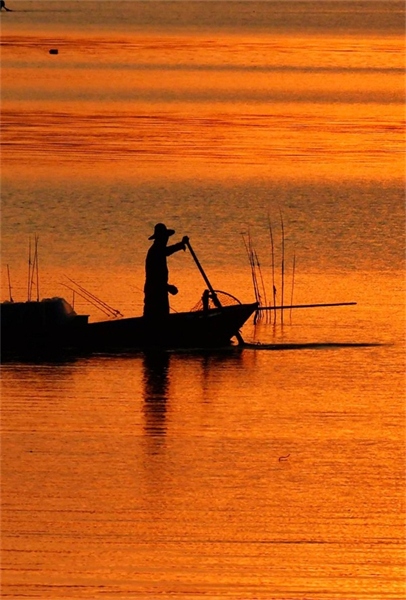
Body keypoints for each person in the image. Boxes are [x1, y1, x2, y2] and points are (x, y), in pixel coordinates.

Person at [143, 223, 188, 321]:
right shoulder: (155, 252)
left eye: (167, 237)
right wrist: (168, 287)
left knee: (159, 318)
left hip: (160, 291)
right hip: (155, 293)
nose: (166, 239)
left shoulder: (159, 250)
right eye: (165, 237)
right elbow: (154, 279)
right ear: (160, 238)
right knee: (156, 319)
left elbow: (167, 251)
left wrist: (181, 244)